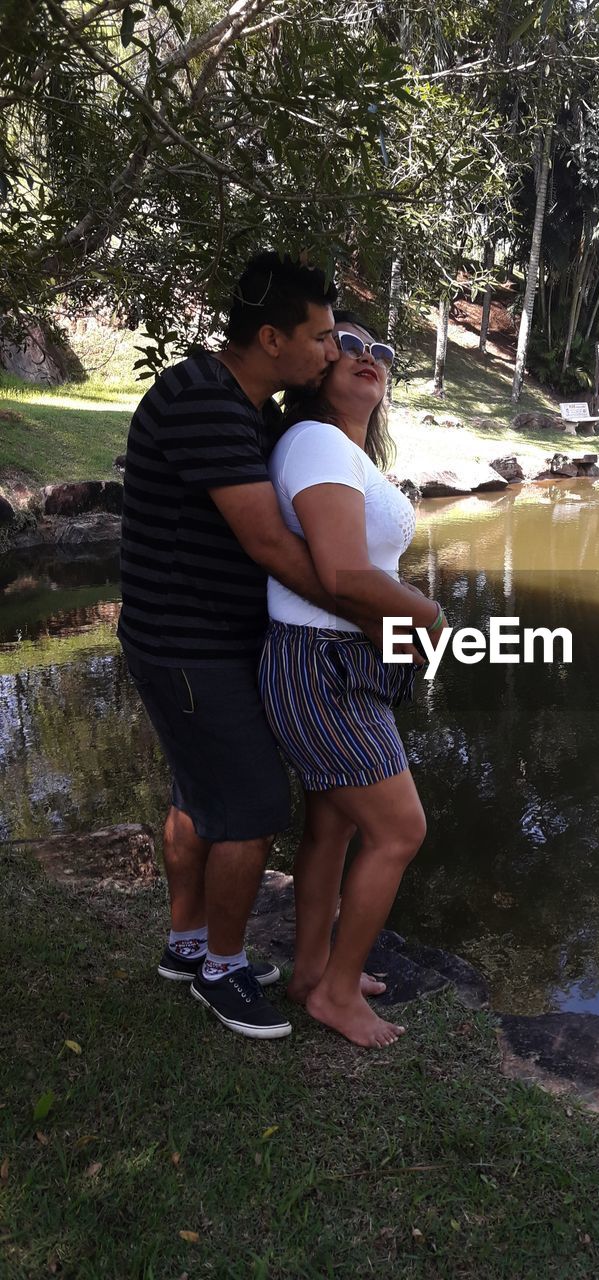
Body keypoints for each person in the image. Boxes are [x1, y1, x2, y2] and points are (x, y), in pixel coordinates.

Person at [119, 252, 375, 1041]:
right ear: (271, 338)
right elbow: (267, 541)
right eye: (324, 337)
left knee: (199, 795)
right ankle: (222, 972)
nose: (333, 351)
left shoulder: (243, 405)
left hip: (205, 638)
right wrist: (360, 606)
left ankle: (188, 944)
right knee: (253, 804)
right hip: (185, 641)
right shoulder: (203, 400)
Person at [259, 313, 445, 1048]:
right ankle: (336, 993)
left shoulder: (345, 452)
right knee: (400, 828)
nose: (370, 358)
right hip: (322, 660)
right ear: (319, 371)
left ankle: (311, 971)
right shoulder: (315, 442)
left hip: (345, 659)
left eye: (383, 352)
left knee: (334, 824)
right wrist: (429, 618)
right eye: (351, 347)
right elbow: (341, 575)